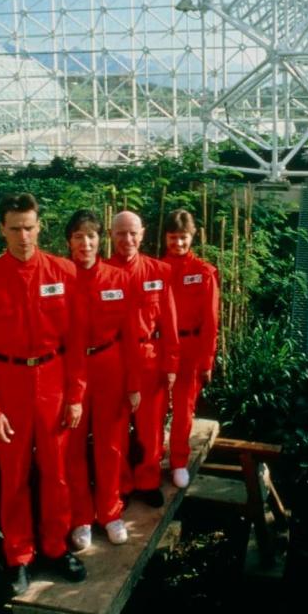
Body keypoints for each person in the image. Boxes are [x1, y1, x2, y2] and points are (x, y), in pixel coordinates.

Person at [0, 193, 87, 593]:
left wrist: (75, 395)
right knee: (13, 477)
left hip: (52, 381)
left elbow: (75, 341)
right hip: (7, 384)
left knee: (57, 473)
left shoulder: (63, 272)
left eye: (29, 227)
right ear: (2, 229)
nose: (23, 236)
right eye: (15, 228)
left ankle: (55, 547)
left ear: (40, 227)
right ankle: (19, 555)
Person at [63, 210, 140, 550]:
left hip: (110, 364)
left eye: (91, 236)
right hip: (70, 369)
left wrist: (133, 383)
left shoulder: (118, 278)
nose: (86, 243)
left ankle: (110, 512)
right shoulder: (59, 278)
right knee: (73, 447)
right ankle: (81, 517)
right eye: (79, 236)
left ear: (100, 240)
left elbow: (131, 334)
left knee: (111, 443)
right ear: (69, 242)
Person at [106, 210, 179, 507]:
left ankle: (148, 479)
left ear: (143, 233)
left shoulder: (159, 271)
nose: (127, 239)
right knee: (116, 427)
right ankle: (121, 482)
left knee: (151, 425)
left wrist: (171, 364)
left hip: (149, 357)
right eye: (121, 233)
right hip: (114, 360)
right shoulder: (102, 272)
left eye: (133, 232)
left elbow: (170, 322)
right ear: (111, 235)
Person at [161, 210, 220, 489]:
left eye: (183, 238)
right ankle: (152, 458)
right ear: (165, 238)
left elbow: (211, 320)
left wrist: (207, 360)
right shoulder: (155, 269)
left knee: (184, 407)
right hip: (159, 345)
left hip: (191, 347)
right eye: (173, 238)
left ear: (192, 236)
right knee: (155, 406)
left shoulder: (204, 272)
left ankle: (179, 462)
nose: (178, 244)